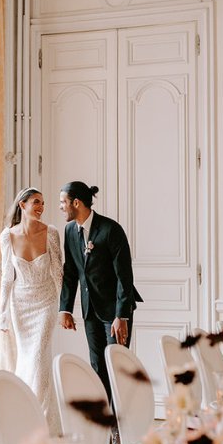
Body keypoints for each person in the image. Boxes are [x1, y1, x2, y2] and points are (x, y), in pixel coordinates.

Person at [57, 180, 143, 428]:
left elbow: (124, 277)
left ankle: (125, 424)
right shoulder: (70, 231)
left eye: (63, 202)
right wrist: (65, 308)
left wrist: (121, 315)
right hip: (90, 311)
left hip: (115, 312)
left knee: (118, 366)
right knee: (98, 367)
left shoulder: (110, 230)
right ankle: (107, 424)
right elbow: (71, 271)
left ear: (76, 202)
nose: (61, 207)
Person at [0, 186, 63, 434]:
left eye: (43, 203)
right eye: (36, 202)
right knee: (27, 358)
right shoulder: (8, 236)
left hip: (46, 301)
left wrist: (63, 308)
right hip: (20, 304)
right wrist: (1, 311)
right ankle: (23, 417)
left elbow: (59, 271)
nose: (41, 207)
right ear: (22, 205)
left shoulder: (52, 233)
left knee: (38, 357)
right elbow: (7, 276)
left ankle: (42, 422)